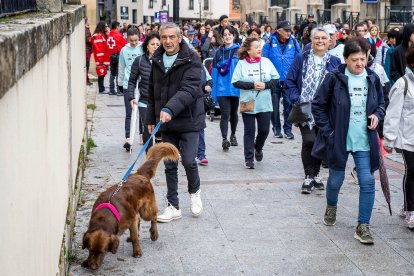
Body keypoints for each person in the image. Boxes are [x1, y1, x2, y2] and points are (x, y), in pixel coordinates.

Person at [312, 37, 385, 244]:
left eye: (363, 59)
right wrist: (329, 132)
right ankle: (331, 206)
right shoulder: (333, 78)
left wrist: (377, 115)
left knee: (368, 181)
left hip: (364, 138)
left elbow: (381, 102)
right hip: (339, 139)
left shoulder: (372, 78)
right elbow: (318, 106)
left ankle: (363, 226)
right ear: (345, 59)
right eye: (355, 60)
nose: (360, 63)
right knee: (336, 180)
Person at [145, 22, 205, 222]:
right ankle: (173, 206)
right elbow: (151, 91)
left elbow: (189, 89)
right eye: (164, 37)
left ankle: (195, 192)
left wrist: (170, 108)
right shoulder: (157, 60)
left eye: (172, 37)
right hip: (166, 121)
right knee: (170, 164)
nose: (168, 41)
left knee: (188, 160)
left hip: (189, 120)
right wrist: (151, 118)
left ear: (180, 38)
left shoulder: (192, 60)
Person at [285, 26, 341, 193]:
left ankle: (316, 175)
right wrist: (297, 99)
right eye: (317, 38)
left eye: (324, 38)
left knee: (321, 142)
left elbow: (339, 86)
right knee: (309, 141)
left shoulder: (335, 62)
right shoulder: (301, 59)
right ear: (311, 40)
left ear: (330, 41)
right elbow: (289, 82)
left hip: (325, 111)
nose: (320, 41)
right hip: (305, 108)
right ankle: (308, 176)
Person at [232, 37, 279, 169]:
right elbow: (235, 82)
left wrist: (265, 85)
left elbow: (276, 79)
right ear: (248, 50)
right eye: (256, 47)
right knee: (249, 131)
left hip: (264, 103)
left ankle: (258, 148)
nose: (259, 49)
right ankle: (248, 159)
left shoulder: (267, 62)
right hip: (248, 102)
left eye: (260, 46)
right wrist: (252, 85)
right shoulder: (241, 64)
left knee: (264, 130)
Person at [383, 46, 414, 229]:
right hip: (408, 137)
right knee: (413, 170)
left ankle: (407, 204)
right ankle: (411, 209)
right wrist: (389, 138)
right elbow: (393, 113)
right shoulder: (403, 84)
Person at [262, 20, 301, 139]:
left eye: (290, 30)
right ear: (279, 31)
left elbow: (299, 59)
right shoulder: (269, 42)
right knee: (274, 105)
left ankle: (288, 129)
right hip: (274, 80)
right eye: (286, 30)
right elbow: (264, 60)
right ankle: (276, 128)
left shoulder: (294, 42)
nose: (289, 32)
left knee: (289, 104)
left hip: (289, 80)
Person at [127, 32, 161, 152]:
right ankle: (149, 156)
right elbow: (132, 81)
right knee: (148, 128)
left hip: (162, 102)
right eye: (153, 44)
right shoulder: (139, 61)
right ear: (147, 45)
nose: (155, 46)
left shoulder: (165, 60)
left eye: (158, 44)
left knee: (162, 129)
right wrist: (131, 97)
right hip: (145, 101)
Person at [211, 25, 241, 151]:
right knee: (225, 114)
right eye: (225, 35)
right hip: (222, 88)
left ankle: (233, 134)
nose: (227, 37)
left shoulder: (240, 51)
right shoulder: (218, 52)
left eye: (230, 34)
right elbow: (214, 72)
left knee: (234, 113)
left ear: (233, 36)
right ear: (222, 37)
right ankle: (225, 139)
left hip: (235, 88)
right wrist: (214, 92)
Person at [118, 27, 144, 151]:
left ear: (139, 37)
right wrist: (120, 83)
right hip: (128, 84)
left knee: (142, 111)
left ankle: (142, 134)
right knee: (129, 111)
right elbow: (122, 67)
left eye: (136, 40)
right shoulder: (124, 50)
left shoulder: (143, 48)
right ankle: (128, 137)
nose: (133, 43)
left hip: (142, 83)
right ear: (127, 38)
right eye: (131, 40)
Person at [107, 21, 127, 96]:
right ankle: (119, 90)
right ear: (117, 26)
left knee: (112, 73)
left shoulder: (109, 35)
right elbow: (125, 44)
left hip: (111, 56)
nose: (120, 28)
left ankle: (111, 89)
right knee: (119, 73)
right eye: (119, 26)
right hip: (118, 56)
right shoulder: (118, 35)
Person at [90, 21, 110, 94]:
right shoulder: (98, 36)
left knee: (102, 74)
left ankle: (102, 88)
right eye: (106, 26)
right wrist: (101, 61)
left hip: (102, 59)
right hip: (100, 59)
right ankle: (101, 89)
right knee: (101, 75)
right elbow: (99, 50)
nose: (107, 28)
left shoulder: (101, 35)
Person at [85, 18, 92, 86]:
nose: (89, 22)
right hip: (87, 51)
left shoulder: (87, 29)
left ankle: (87, 80)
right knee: (87, 66)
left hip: (88, 50)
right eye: (88, 21)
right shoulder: (86, 30)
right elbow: (88, 40)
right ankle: (87, 80)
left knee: (87, 66)